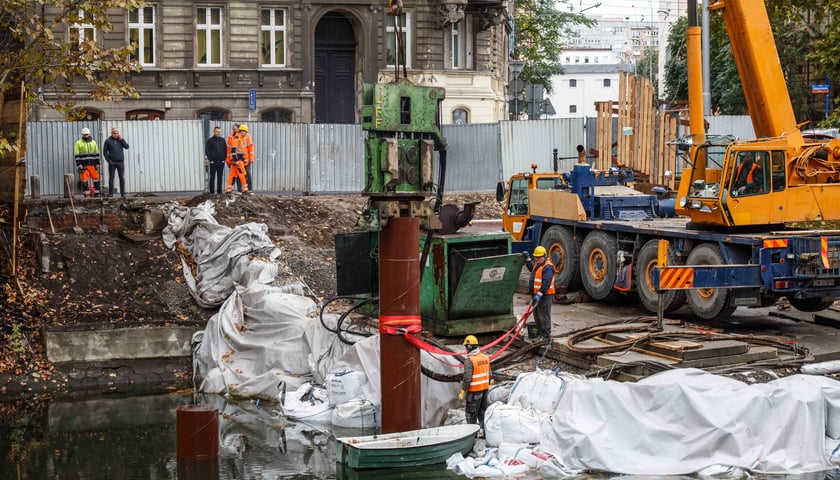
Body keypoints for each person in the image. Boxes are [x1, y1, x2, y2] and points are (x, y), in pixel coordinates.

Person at [459, 335, 490, 431]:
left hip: (474, 393)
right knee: (482, 413)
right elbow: (490, 374)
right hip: (484, 390)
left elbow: (467, 378)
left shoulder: (470, 360)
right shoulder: (485, 357)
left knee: (471, 415)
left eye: (465, 347)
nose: (465, 349)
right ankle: (486, 434)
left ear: (469, 347)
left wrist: (463, 391)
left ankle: (472, 437)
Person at [524, 246, 555, 338]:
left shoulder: (548, 267)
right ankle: (540, 333)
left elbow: (546, 282)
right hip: (536, 295)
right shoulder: (538, 264)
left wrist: (540, 293)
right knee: (537, 316)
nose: (537, 259)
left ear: (544, 256)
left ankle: (546, 335)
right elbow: (532, 269)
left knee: (544, 315)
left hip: (544, 296)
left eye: (538, 257)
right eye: (536, 257)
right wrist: (527, 259)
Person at [102, 127, 129, 198]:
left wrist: (122, 139)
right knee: (111, 177)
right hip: (112, 162)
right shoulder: (108, 141)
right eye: (114, 133)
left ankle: (123, 194)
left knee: (121, 177)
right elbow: (104, 152)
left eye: (117, 133)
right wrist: (109, 161)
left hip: (120, 162)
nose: (115, 134)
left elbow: (127, 147)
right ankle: (111, 193)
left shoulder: (120, 140)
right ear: (111, 133)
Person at [74, 127, 101, 197]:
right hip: (84, 165)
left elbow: (97, 154)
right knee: (84, 179)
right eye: (84, 135)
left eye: (86, 134)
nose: (85, 136)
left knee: (96, 179)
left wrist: (97, 163)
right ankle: (86, 193)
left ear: (89, 134)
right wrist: (79, 164)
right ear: (82, 135)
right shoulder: (78, 143)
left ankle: (97, 192)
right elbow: (77, 155)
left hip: (93, 164)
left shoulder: (94, 142)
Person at [205, 126, 227, 194]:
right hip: (213, 162)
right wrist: (211, 160)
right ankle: (212, 192)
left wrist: (224, 159)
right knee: (212, 177)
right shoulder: (210, 140)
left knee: (220, 177)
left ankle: (219, 192)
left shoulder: (222, 140)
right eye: (217, 132)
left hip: (221, 162)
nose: (218, 133)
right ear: (214, 132)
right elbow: (207, 151)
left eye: (219, 132)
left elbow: (225, 150)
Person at [238, 124, 255, 193]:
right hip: (239, 160)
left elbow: (251, 149)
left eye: (244, 131)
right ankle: (240, 189)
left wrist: (251, 158)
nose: (243, 132)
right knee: (240, 174)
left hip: (247, 160)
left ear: (246, 132)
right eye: (241, 131)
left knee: (248, 174)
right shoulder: (237, 137)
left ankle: (250, 189)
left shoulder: (248, 138)